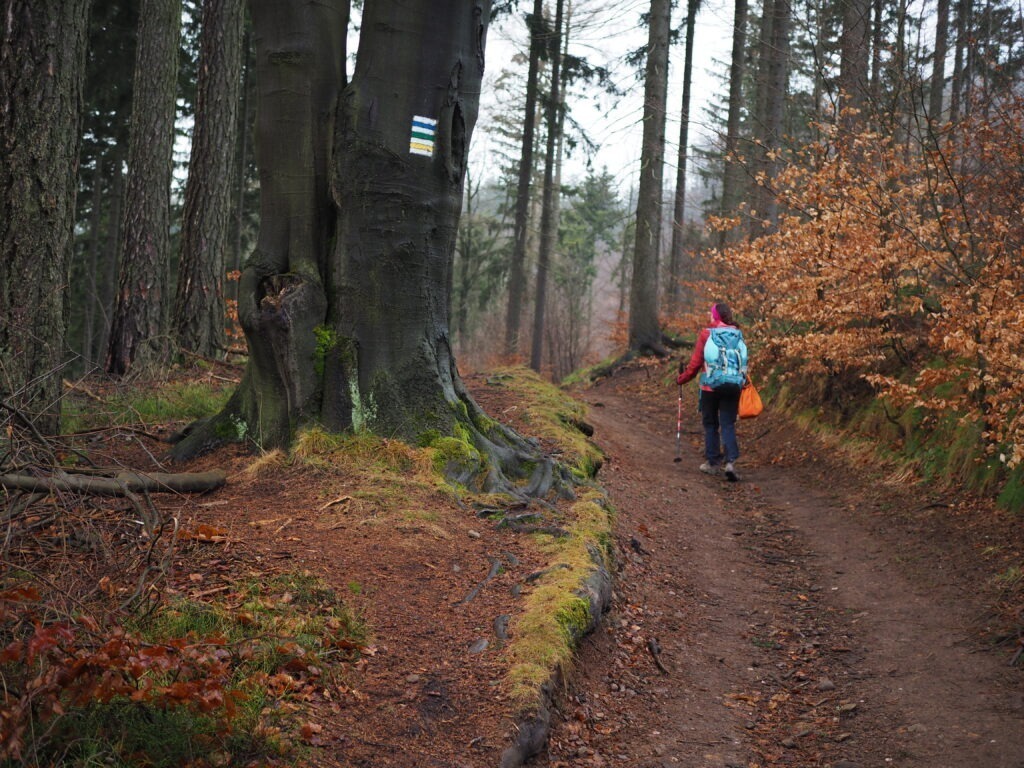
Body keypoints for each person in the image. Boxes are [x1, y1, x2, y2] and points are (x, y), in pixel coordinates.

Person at [677, 302, 745, 481]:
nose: (709, 315)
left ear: (715, 316)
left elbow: (695, 364)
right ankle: (730, 462)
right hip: (732, 385)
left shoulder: (707, 334)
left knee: (711, 424)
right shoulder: (737, 333)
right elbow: (742, 361)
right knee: (728, 423)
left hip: (710, 386)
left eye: (711, 313)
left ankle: (713, 463)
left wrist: (682, 379)